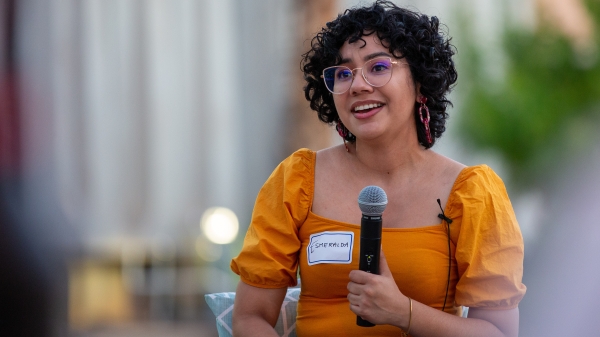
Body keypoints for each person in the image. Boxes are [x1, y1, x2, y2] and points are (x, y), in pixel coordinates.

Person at [230, 1, 526, 336]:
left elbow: (499, 333)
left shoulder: (472, 194)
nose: (358, 85)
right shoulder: (297, 179)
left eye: (378, 67)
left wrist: (404, 312)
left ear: (419, 83)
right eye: (343, 73)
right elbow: (250, 317)